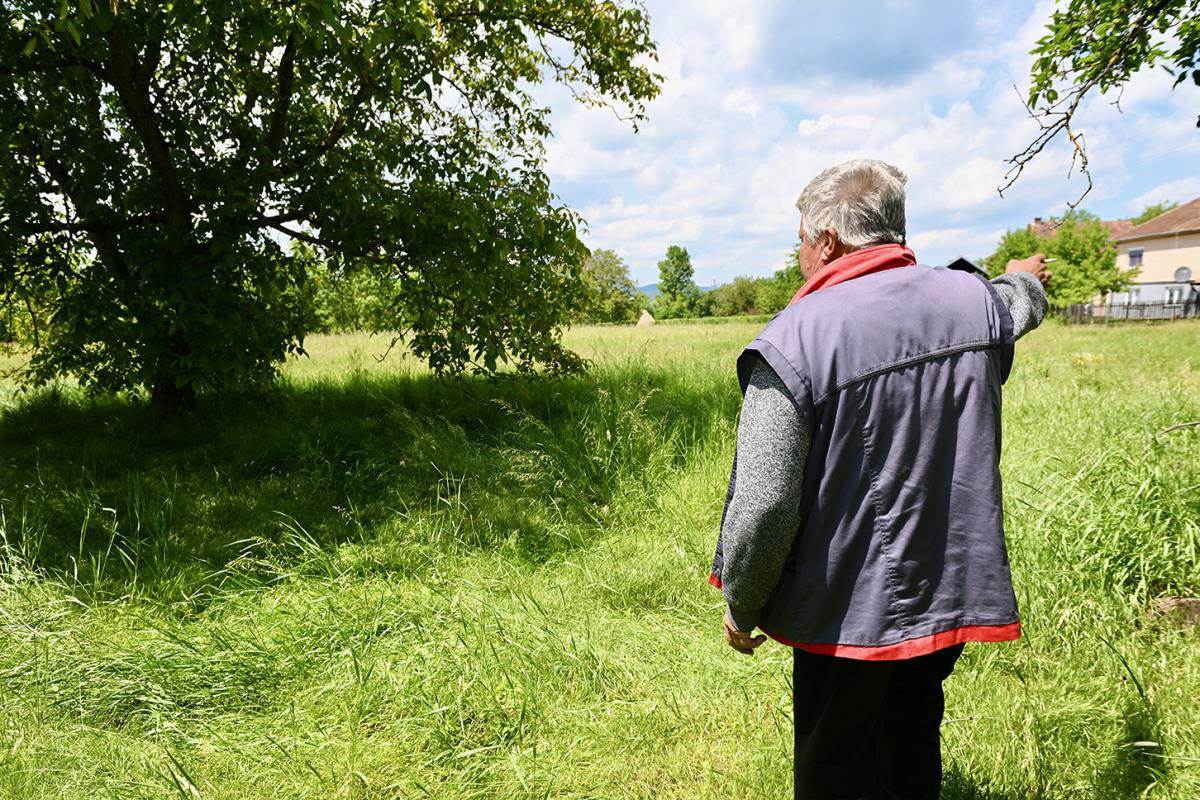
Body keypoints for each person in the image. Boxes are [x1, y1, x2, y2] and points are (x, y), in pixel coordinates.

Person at [709, 159, 1050, 800]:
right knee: (912, 736)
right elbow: (1017, 304)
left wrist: (742, 600)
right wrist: (1026, 280)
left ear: (828, 241)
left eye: (801, 244)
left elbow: (764, 503)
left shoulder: (794, 339)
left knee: (834, 767)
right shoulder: (974, 302)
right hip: (947, 587)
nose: (801, 259)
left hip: (844, 613)